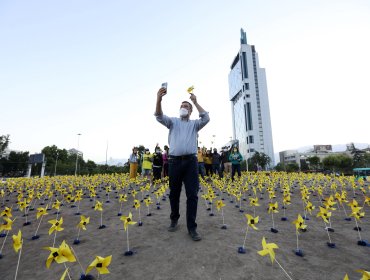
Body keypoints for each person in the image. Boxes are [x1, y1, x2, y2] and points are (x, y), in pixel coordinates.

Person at [155, 86, 210, 241]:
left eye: (186, 106)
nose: (183, 108)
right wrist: (159, 99)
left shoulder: (194, 124)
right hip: (174, 162)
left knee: (192, 195)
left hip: (191, 163)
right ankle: (174, 218)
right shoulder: (172, 122)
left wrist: (196, 102)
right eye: (182, 106)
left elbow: (206, 118)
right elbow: (159, 116)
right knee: (174, 193)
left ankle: (192, 227)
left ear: (191, 111)